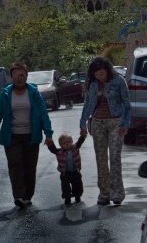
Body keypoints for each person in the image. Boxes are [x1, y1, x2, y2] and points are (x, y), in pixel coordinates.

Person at [0, 61, 54, 208]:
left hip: (32, 135)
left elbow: (43, 114)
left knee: (30, 167)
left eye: (23, 75)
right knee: (15, 165)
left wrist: (48, 134)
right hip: (12, 136)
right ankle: (19, 196)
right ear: (11, 77)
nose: (20, 77)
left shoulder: (34, 93)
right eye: (17, 75)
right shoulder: (5, 94)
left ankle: (28, 196)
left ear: (27, 76)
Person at [79, 56, 131, 206]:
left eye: (102, 73)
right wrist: (82, 123)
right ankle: (104, 193)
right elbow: (88, 104)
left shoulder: (119, 80)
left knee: (115, 156)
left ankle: (117, 193)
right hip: (97, 122)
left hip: (116, 121)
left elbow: (127, 104)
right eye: (96, 74)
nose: (99, 76)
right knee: (101, 158)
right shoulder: (91, 83)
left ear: (107, 70)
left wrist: (125, 124)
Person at [47, 132, 85, 206]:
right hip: (65, 173)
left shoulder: (75, 148)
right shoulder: (59, 152)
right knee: (65, 187)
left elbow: (80, 142)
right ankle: (67, 198)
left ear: (72, 142)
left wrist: (83, 136)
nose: (67, 144)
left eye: (69, 142)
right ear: (60, 145)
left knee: (77, 185)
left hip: (75, 172)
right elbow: (53, 149)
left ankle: (77, 196)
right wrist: (49, 142)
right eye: (64, 143)